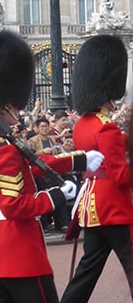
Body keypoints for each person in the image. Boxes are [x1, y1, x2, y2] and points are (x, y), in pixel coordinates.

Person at [0, 31, 103, 303]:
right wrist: (58, 195)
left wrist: (78, 159)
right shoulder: (2, 150)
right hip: (20, 252)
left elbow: (31, 165)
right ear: (8, 106)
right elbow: (14, 204)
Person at [61, 34, 133, 302]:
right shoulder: (107, 127)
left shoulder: (84, 125)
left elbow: (108, 146)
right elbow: (122, 176)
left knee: (88, 269)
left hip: (91, 209)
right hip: (114, 208)